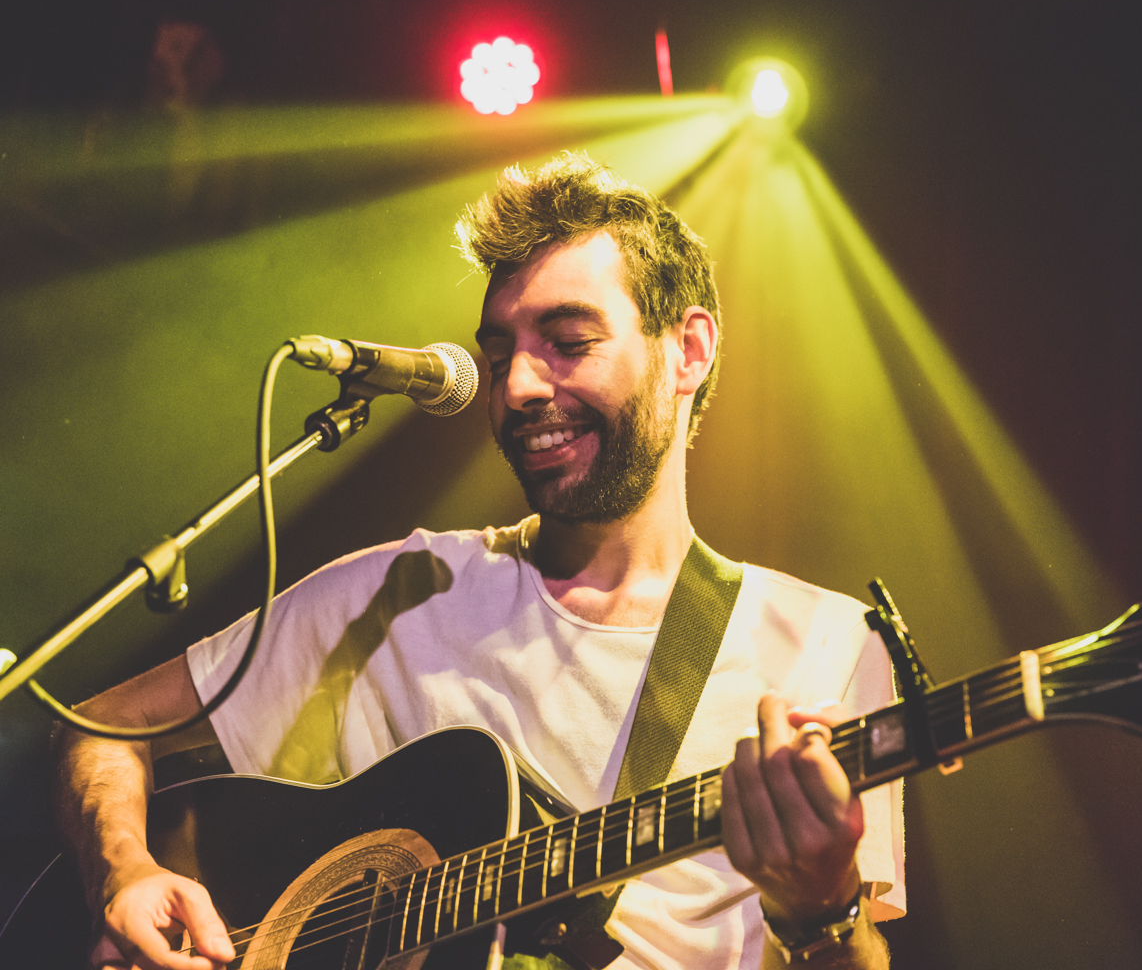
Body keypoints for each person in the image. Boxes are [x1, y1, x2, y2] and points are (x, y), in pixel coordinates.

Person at [53, 152, 904, 970]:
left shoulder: (824, 644)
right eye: (500, 358)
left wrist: (824, 911)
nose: (520, 387)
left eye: (567, 343)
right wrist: (125, 873)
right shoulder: (397, 592)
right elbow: (100, 728)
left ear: (688, 351)